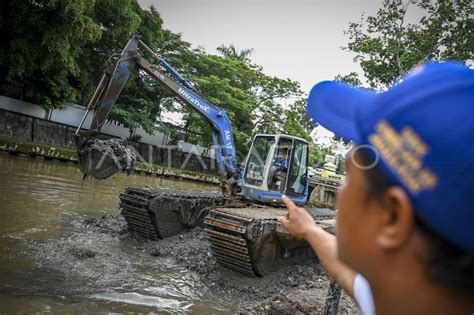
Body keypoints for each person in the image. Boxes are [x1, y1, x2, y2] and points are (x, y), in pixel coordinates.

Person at [278, 62, 474, 314]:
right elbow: (349, 275)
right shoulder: (411, 298)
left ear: (392, 216)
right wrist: (310, 230)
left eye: (349, 174)